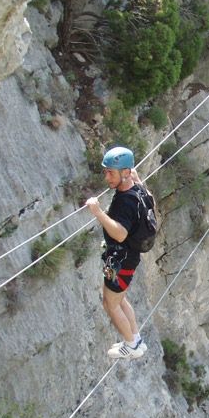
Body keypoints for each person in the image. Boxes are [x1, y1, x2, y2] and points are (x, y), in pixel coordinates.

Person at [85, 147, 148, 359]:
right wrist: (138, 180)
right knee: (119, 300)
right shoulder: (138, 190)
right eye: (106, 172)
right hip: (128, 259)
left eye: (111, 172)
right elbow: (152, 203)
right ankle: (136, 339)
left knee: (110, 304)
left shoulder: (124, 201)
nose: (107, 177)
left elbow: (120, 234)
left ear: (125, 172)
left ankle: (131, 346)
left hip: (121, 260)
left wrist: (98, 212)